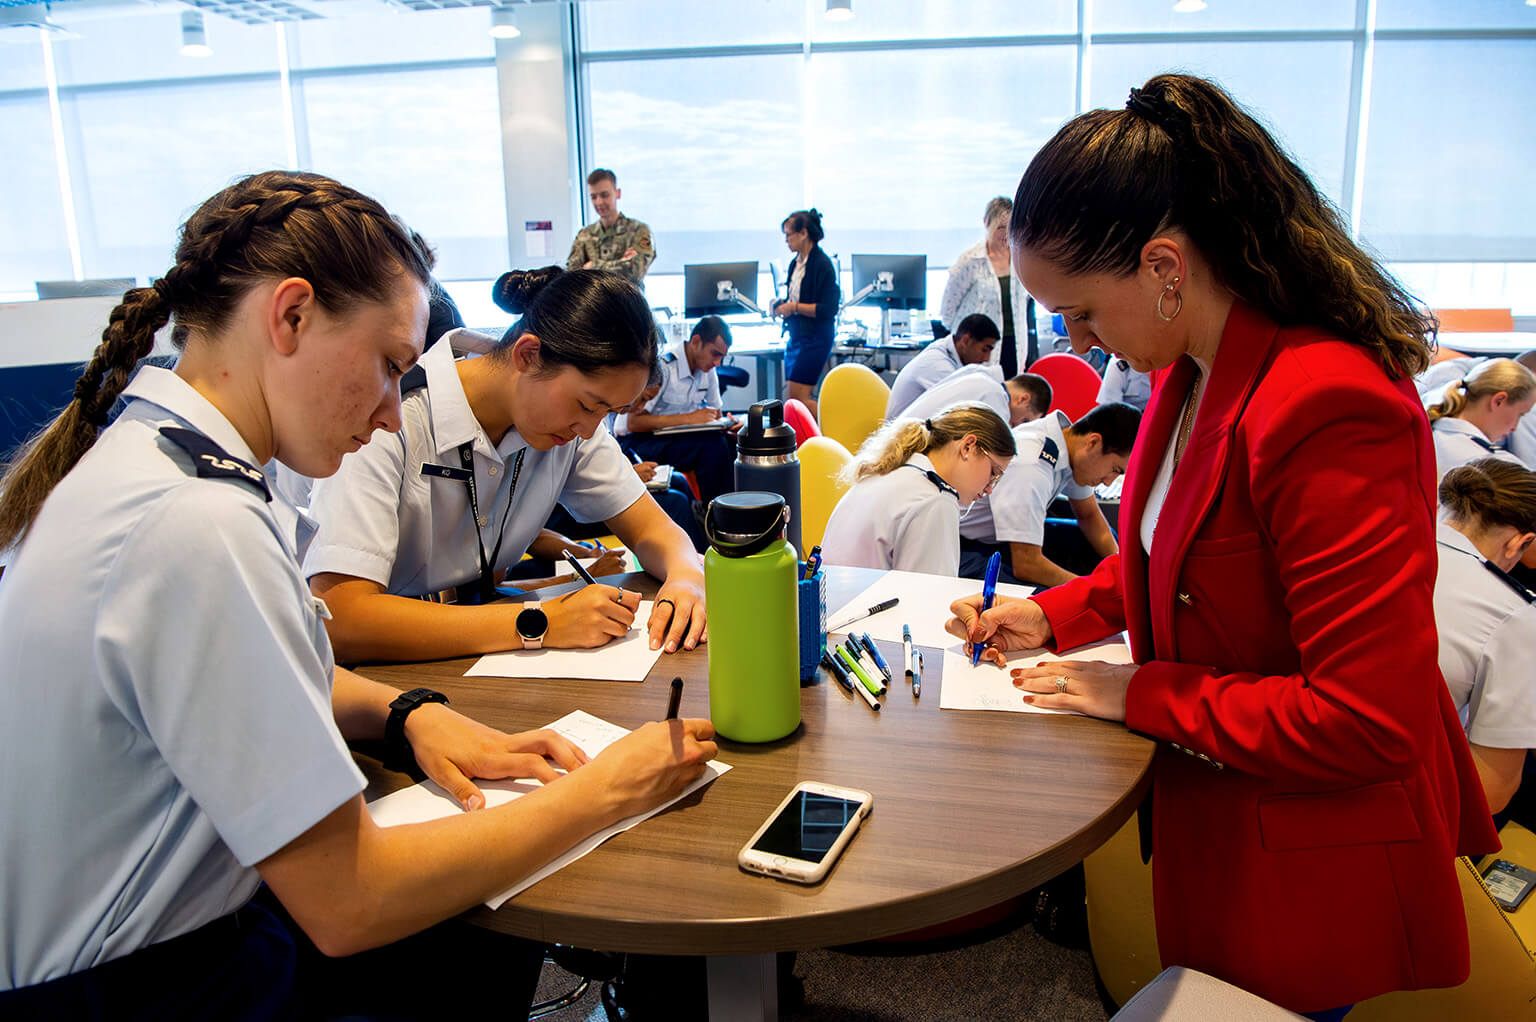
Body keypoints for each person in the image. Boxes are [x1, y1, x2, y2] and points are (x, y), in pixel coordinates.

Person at [0, 171, 717, 1017]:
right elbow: (351, 901)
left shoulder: (155, 460)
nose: (389, 412)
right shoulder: (198, 523)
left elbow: (256, 674)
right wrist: (603, 790)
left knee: (473, 946)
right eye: (387, 368)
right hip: (142, 981)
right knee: (478, 932)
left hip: (134, 943)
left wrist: (405, 712)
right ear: (291, 315)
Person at [948, 74, 1496, 1016]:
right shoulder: (1188, 366)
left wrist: (1136, 690)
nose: (1075, 342)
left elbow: (1368, 720)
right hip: (1218, 806)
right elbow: (1171, 555)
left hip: (1302, 848)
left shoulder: (1328, 402)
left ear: (1163, 268)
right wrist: (1049, 614)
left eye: (1080, 313)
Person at [303, 266, 707, 664]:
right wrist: (540, 621)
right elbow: (341, 617)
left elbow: (657, 531)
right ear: (528, 355)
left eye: (608, 412)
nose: (588, 430)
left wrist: (686, 578)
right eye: (587, 405)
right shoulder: (393, 418)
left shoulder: (567, 428)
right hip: (378, 679)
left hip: (476, 663)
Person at [1434, 459, 1536, 816]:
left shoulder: (1379, 548)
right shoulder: (1512, 612)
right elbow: (1491, 790)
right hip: (1409, 797)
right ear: (1519, 543)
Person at [821, 403, 1016, 576]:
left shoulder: (887, 471)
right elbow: (928, 604)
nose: (990, 489)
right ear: (968, 446)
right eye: (993, 472)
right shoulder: (935, 500)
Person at [958, 403, 1138, 587]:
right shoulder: (1032, 465)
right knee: (1050, 605)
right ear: (1093, 442)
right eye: (1115, 469)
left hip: (1001, 541)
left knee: (1092, 544)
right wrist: (1094, 592)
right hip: (964, 547)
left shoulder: (1071, 448)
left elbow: (1089, 516)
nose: (1109, 481)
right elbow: (1027, 564)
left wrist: (1123, 570)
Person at [619, 314, 740, 503]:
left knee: (731, 444)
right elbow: (633, 422)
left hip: (680, 439)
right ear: (696, 341)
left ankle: (731, 508)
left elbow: (717, 412)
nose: (717, 363)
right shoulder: (664, 365)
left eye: (722, 357)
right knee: (711, 447)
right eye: (715, 354)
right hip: (644, 440)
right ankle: (717, 514)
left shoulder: (708, 370)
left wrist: (728, 423)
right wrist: (689, 418)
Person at [940, 196, 1037, 377]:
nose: (1006, 234)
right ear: (987, 223)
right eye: (1000, 227)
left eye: (1010, 227)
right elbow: (947, 311)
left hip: (1014, 344)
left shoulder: (1022, 258)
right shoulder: (971, 260)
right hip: (979, 346)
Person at [771, 208, 840, 418]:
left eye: (789, 234)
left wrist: (793, 308)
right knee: (793, 401)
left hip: (815, 338)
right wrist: (780, 304)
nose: (786, 240)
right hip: (797, 337)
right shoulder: (796, 264)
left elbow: (828, 309)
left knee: (797, 401)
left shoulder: (822, 265)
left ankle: (837, 422)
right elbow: (797, 299)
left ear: (804, 233)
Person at [1425, 356, 1535, 480]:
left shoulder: (1428, 433)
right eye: (1520, 414)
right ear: (1499, 401)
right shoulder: (1496, 467)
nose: (1515, 427)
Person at [885, 312, 1000, 418]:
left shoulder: (946, 352)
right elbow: (965, 409)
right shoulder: (937, 364)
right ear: (966, 341)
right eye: (984, 350)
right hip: (902, 437)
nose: (987, 359)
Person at [566, 168, 655, 286]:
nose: (599, 202)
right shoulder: (584, 234)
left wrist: (591, 266)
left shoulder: (638, 230)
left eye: (604, 195)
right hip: (595, 304)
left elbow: (635, 271)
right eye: (593, 197)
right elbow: (571, 275)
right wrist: (620, 263)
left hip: (628, 303)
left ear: (617, 193)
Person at [903, 363, 1050, 429]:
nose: (1018, 426)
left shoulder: (975, 373)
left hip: (896, 437)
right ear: (1023, 399)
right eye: (1025, 420)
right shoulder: (995, 400)